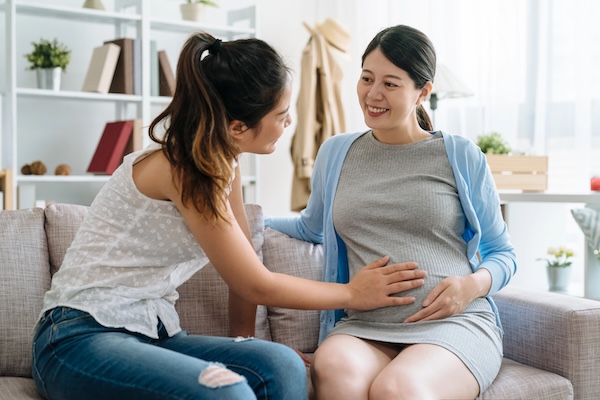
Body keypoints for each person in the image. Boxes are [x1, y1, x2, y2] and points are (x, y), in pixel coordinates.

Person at [31, 32, 428, 400]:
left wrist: (244, 343)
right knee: (228, 392)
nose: (288, 123)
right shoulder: (184, 168)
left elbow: (245, 265)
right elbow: (256, 284)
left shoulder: (224, 161)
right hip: (75, 339)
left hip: (150, 335)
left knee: (282, 365)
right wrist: (352, 293)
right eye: (280, 114)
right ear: (238, 127)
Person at [265, 25, 517, 400]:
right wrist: (243, 222)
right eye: (366, 78)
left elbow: (503, 253)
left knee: (397, 388)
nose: (373, 94)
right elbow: (311, 226)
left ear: (423, 92)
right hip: (365, 326)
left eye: (391, 84)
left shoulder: (460, 155)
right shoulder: (336, 152)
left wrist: (470, 287)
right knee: (333, 369)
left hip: (454, 323)